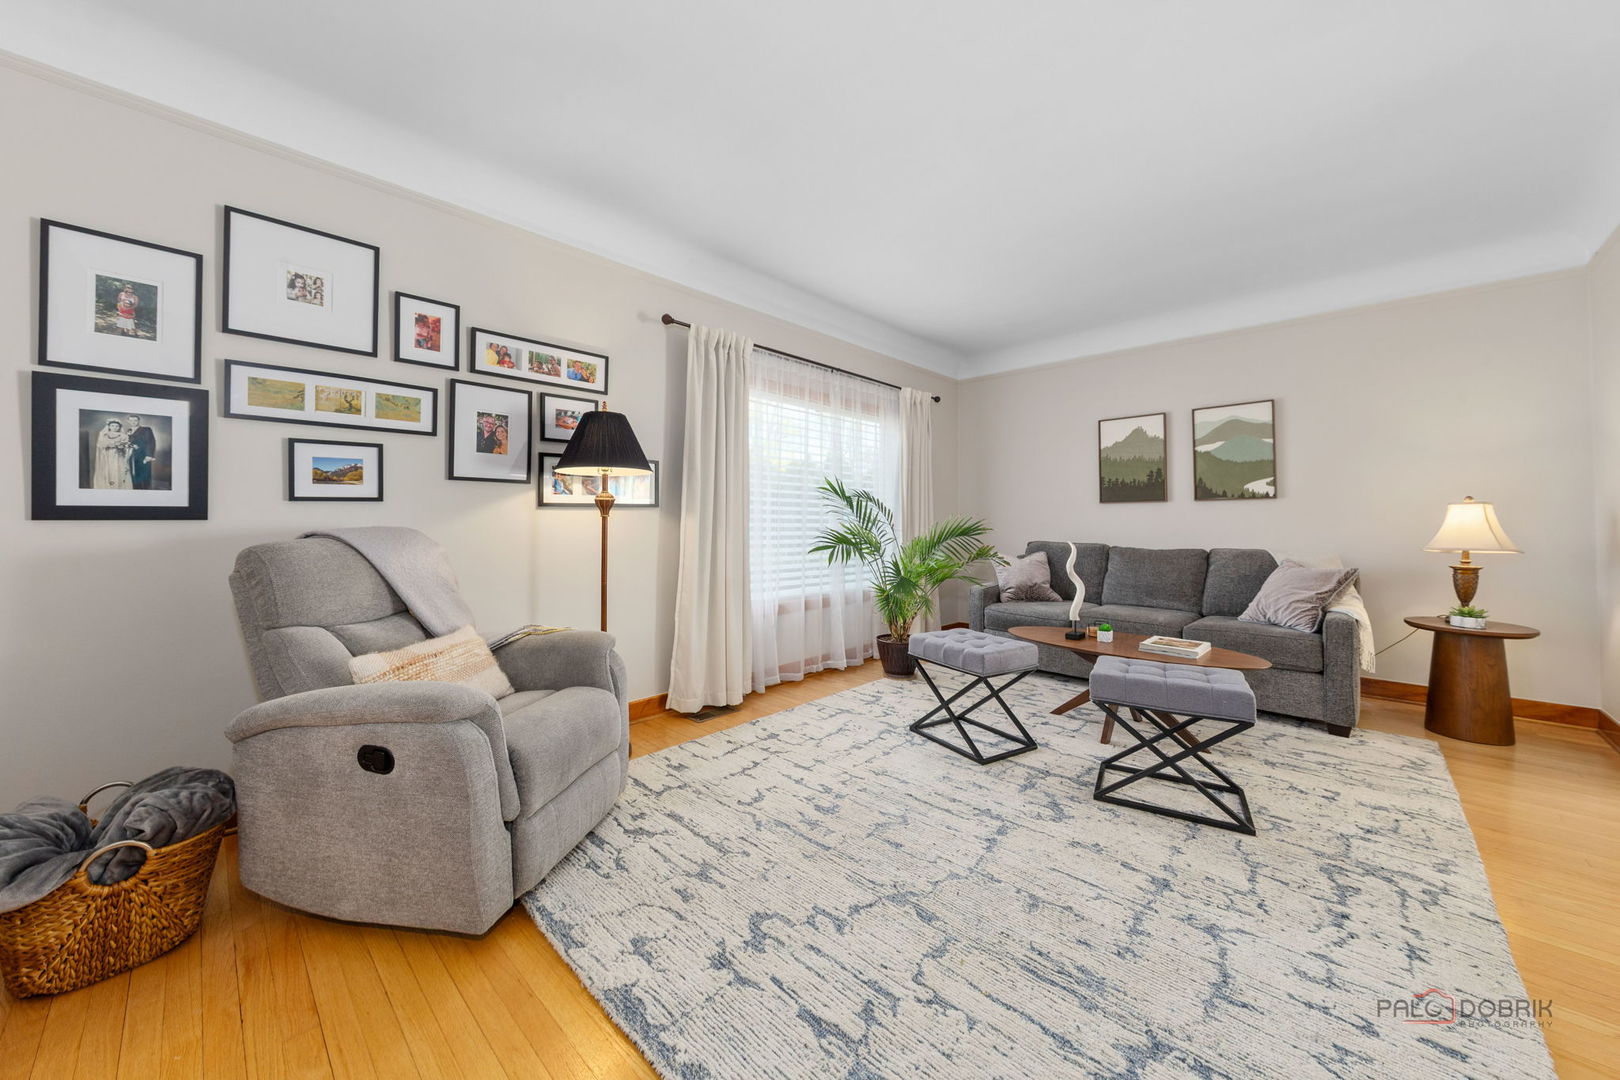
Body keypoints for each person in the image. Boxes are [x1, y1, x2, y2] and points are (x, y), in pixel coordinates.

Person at [91, 418, 132, 490]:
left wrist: (122, 446)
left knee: (119, 469)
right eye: (112, 426)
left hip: (119, 456)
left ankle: (119, 486)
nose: (114, 428)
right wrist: (112, 444)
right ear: (109, 426)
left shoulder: (124, 436)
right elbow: (100, 445)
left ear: (119, 427)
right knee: (109, 469)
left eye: (116, 426)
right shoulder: (104, 434)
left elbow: (126, 446)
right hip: (107, 456)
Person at [124, 414, 156, 489]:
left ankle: (146, 492)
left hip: (143, 456)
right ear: (128, 421)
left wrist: (149, 455)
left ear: (138, 421)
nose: (133, 422)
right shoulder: (128, 431)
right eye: (131, 420)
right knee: (134, 475)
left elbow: (150, 442)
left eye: (135, 420)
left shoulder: (146, 429)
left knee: (145, 475)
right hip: (132, 456)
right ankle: (136, 491)